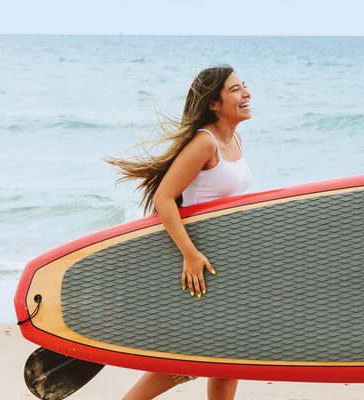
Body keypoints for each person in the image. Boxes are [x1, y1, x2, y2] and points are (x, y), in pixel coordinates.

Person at [105, 65, 253, 400]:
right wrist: (189, 254)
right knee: (195, 358)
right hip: (198, 266)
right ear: (214, 103)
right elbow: (164, 198)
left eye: (245, 86)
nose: (246, 94)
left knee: (227, 357)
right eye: (235, 90)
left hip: (221, 266)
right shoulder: (206, 142)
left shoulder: (235, 139)